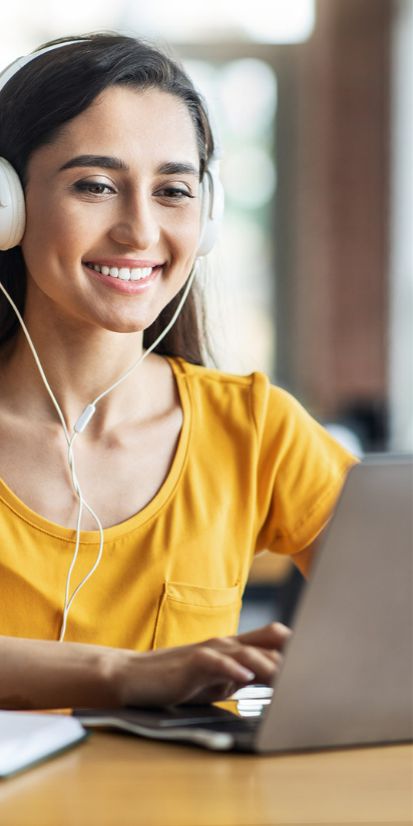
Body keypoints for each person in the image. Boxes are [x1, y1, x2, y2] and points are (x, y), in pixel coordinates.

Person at [0, 33, 356, 711]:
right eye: (96, 185)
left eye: (172, 190)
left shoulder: (254, 430)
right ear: (7, 204)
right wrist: (121, 675)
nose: (139, 230)